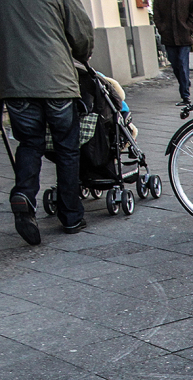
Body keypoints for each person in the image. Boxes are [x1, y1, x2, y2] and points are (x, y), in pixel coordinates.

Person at [0, 0, 94, 244]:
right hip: (57, 81)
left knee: (29, 144)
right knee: (67, 149)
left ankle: (24, 195)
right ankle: (71, 215)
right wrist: (83, 55)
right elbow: (81, 31)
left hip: (16, 84)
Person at [153, 0, 193, 107]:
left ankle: (185, 95)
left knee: (182, 64)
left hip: (184, 37)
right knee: (175, 65)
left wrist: (189, 28)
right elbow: (156, 15)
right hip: (169, 37)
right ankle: (185, 83)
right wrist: (162, 29)